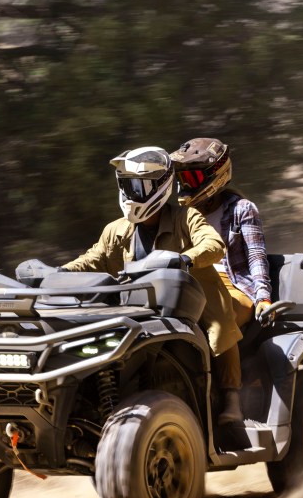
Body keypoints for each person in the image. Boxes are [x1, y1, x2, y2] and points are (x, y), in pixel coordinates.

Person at [59, 146, 245, 424]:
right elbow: (92, 259)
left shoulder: (186, 217)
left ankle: (232, 400)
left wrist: (185, 259)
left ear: (161, 186)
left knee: (219, 329)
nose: (131, 193)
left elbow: (214, 245)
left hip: (194, 302)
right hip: (138, 307)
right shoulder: (116, 230)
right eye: (127, 185)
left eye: (139, 185)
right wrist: (57, 272)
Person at [170, 138, 273, 343]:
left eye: (192, 177)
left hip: (234, 288)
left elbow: (256, 256)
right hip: (191, 286)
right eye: (182, 179)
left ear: (215, 174)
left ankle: (227, 377)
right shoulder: (178, 215)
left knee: (216, 322)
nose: (186, 185)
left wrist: (263, 297)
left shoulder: (242, 209)